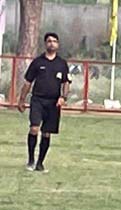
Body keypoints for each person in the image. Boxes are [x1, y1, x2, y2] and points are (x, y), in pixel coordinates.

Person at [17, 32, 70, 173]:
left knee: (46, 133)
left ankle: (40, 163)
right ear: (45, 44)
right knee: (34, 128)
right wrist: (21, 100)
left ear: (58, 45)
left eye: (54, 41)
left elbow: (66, 83)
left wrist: (63, 97)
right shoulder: (38, 62)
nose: (51, 43)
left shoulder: (62, 64)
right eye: (49, 41)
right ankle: (30, 160)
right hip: (38, 100)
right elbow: (28, 82)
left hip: (53, 103)